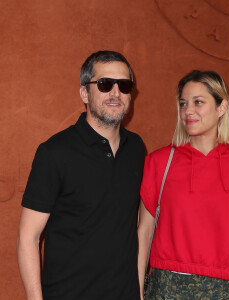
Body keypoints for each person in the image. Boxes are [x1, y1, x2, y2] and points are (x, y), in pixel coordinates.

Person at [137, 70, 229, 299]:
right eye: (183, 104)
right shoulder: (159, 163)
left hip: (222, 291)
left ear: (221, 107)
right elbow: (144, 232)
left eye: (198, 102)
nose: (188, 111)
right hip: (165, 288)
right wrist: (138, 294)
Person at [17, 50, 145, 300]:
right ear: (85, 93)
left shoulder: (137, 148)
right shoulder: (54, 152)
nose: (115, 93)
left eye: (124, 85)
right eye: (105, 84)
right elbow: (27, 237)